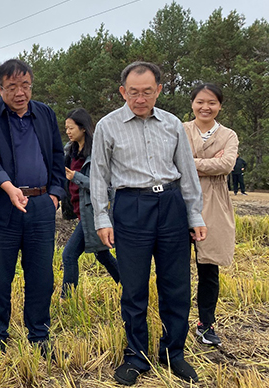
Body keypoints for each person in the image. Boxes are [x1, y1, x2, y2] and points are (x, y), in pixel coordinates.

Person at [90, 61, 206, 385]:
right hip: (131, 207)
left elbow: (187, 172)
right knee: (134, 287)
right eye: (133, 92)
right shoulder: (108, 126)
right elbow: (98, 175)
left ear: (158, 90)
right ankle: (136, 356)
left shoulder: (172, 124)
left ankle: (173, 353)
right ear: (122, 91)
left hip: (171, 205)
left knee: (176, 285)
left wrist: (194, 214)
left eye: (147, 92)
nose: (140, 99)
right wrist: (102, 217)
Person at [0, 59, 65, 354]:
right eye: (12, 87)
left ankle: (39, 336)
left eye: (25, 85)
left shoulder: (45, 114)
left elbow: (57, 155)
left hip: (41, 206)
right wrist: (9, 187)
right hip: (2, 206)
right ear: (0, 88)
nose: (20, 92)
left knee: (41, 276)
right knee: (1, 276)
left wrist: (55, 194)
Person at [183, 83, 238, 347]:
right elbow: (172, 162)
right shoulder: (181, 129)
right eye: (200, 102)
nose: (206, 107)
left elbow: (226, 164)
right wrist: (209, 164)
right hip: (181, 201)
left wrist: (191, 162)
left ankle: (206, 324)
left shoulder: (229, 135)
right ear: (192, 104)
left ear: (220, 106)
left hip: (215, 203)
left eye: (212, 102)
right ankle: (176, 321)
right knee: (176, 268)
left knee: (208, 268)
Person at [61, 108, 120, 298]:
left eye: (71, 128)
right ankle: (129, 287)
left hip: (94, 213)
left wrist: (76, 177)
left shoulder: (97, 152)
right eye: (66, 128)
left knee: (69, 255)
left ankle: (66, 298)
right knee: (102, 255)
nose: (68, 132)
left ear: (83, 128)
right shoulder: (70, 151)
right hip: (80, 211)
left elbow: (105, 186)